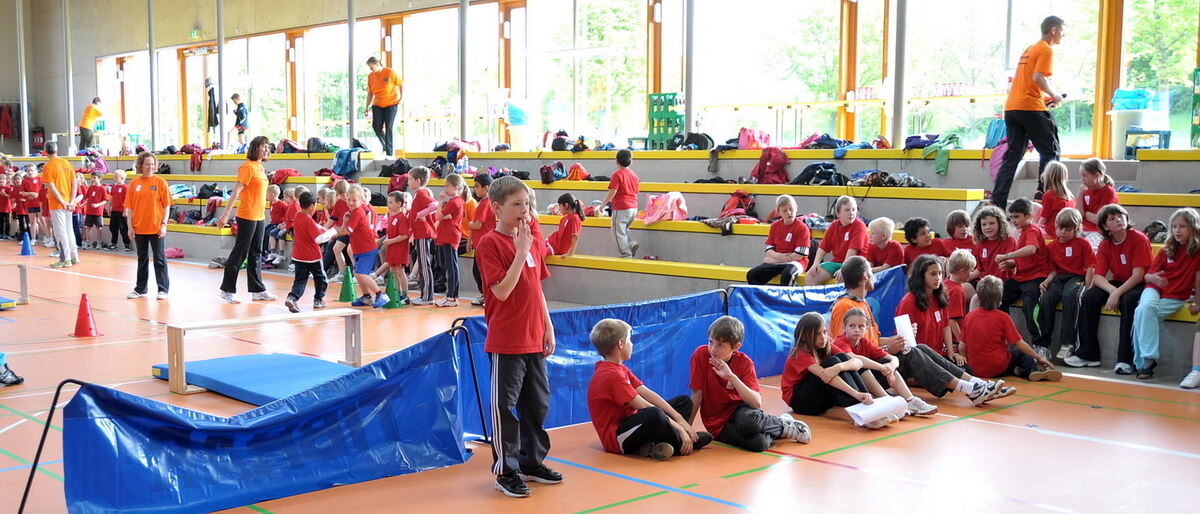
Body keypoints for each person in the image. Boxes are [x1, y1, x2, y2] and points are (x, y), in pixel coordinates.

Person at [474, 176, 561, 498]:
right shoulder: (489, 244)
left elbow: (535, 286)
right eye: (516, 204)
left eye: (527, 204)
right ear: (497, 208)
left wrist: (547, 325)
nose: (524, 210)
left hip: (535, 337)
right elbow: (502, 290)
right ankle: (506, 471)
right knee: (505, 409)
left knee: (537, 405)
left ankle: (531, 461)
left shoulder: (534, 239)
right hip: (507, 339)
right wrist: (519, 250)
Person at [835, 256, 1011, 405]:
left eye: (940, 273)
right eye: (872, 273)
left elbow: (872, 341)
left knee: (920, 348)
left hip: (879, 362)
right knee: (913, 352)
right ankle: (971, 389)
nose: (938, 278)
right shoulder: (844, 306)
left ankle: (976, 385)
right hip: (866, 372)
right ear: (865, 276)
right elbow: (843, 352)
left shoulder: (862, 303)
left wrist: (896, 340)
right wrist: (889, 352)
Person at [587, 318, 713, 460]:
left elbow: (647, 393)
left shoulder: (620, 368)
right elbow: (645, 406)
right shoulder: (611, 375)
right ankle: (681, 443)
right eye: (630, 340)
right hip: (618, 438)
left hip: (633, 423)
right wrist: (680, 429)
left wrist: (679, 418)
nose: (632, 344)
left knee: (683, 403)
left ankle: (650, 445)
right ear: (621, 344)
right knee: (654, 414)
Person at [689, 316, 810, 452]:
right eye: (711, 342)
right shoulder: (700, 355)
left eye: (720, 345)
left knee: (748, 421)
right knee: (759, 444)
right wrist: (687, 428)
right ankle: (778, 426)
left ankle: (782, 425)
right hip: (718, 423)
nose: (713, 349)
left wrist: (731, 377)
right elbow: (697, 394)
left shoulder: (745, 363)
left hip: (742, 412)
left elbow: (756, 403)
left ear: (736, 347)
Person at [992, 16, 1065, 209]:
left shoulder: (1029, 49)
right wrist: (1055, 95)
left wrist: (1045, 98)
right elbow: (1038, 77)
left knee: (1013, 156)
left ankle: (997, 202)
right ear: (1054, 30)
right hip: (1029, 107)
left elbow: (1029, 83)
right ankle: (1044, 195)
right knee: (1051, 150)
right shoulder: (1046, 49)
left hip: (1012, 107)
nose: (1064, 36)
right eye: (1063, 31)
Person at [1070, 204, 1151, 372]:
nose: (1119, 220)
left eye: (1121, 216)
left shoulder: (1139, 238)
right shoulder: (1105, 245)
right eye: (1112, 218)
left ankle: (1125, 361)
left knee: (1128, 301)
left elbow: (1138, 275)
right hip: (1119, 283)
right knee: (1089, 297)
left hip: (1140, 284)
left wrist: (1118, 294)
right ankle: (1088, 354)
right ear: (1105, 226)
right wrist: (1113, 291)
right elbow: (1098, 276)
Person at [782, 312, 895, 429]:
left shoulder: (827, 345)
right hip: (802, 403)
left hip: (822, 396)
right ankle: (861, 411)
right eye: (817, 334)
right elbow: (826, 376)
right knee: (832, 362)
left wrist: (839, 367)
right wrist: (856, 394)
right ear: (805, 336)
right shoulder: (800, 353)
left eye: (825, 332)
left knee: (842, 359)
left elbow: (857, 362)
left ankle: (868, 404)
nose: (823, 337)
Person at [1132, 208, 1200, 381]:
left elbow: (1198, 279)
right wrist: (1154, 279)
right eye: (1174, 226)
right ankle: (1147, 359)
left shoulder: (1197, 252)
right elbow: (1147, 276)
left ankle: (1145, 362)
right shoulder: (1165, 250)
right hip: (1153, 289)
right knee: (1144, 308)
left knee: (1142, 312)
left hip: (1175, 296)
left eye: (1182, 226)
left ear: (1193, 228)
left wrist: (1198, 302)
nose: (1177, 230)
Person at [833, 309, 940, 417]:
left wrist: (890, 367)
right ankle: (888, 403)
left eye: (861, 326)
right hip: (846, 384)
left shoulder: (864, 342)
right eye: (852, 326)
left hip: (866, 382)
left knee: (887, 362)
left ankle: (910, 400)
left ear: (866, 329)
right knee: (861, 366)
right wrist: (882, 368)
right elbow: (855, 359)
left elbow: (893, 358)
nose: (856, 330)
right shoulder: (841, 342)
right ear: (844, 328)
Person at [964, 276, 1061, 382]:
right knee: (1021, 353)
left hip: (976, 370)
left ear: (978, 296)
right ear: (1000, 297)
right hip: (998, 368)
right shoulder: (1003, 317)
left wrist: (968, 367)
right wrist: (1039, 358)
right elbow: (1019, 344)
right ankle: (1031, 371)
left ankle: (1016, 370)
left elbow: (962, 346)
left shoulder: (969, 317)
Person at [216, 136, 276, 303]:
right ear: (255, 148)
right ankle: (226, 290)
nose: (266, 150)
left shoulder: (260, 168)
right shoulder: (247, 167)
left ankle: (257, 290)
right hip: (247, 215)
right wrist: (226, 214)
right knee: (240, 252)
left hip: (259, 216)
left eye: (267, 147)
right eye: (263, 146)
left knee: (256, 253)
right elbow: (236, 191)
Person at [998, 198, 1051, 359]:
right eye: (1011, 217)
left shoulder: (1033, 230)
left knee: (1030, 306)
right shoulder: (1022, 232)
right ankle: (1006, 337)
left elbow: (1031, 249)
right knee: (999, 298)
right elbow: (1024, 257)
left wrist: (1007, 255)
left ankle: (1042, 345)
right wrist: (1011, 263)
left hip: (1036, 278)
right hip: (1020, 277)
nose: (1013, 220)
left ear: (1028, 216)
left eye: (1017, 216)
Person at [1037, 208, 1094, 360]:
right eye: (1060, 228)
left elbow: (1090, 267)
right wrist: (1047, 281)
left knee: (1070, 296)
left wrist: (1088, 287)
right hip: (1058, 278)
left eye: (1068, 229)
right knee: (1046, 297)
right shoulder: (1051, 247)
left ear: (1076, 229)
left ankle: (1068, 343)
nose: (1063, 232)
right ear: (1056, 227)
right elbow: (1053, 271)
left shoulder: (1083, 244)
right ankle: (1044, 345)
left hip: (1076, 278)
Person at [123, 152, 172, 300]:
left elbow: (166, 206)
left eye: (152, 164)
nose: (149, 167)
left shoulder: (160, 182)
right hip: (139, 228)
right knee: (141, 258)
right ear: (141, 166)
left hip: (156, 227)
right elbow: (129, 208)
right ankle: (141, 288)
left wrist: (163, 224)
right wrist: (130, 227)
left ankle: (163, 289)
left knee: (159, 258)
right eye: (147, 164)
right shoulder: (134, 183)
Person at [338, 185, 389, 308]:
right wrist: (345, 221)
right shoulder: (352, 212)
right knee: (357, 273)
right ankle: (366, 297)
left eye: (354, 200)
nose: (350, 203)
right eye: (349, 200)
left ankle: (380, 294)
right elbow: (347, 229)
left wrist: (331, 233)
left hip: (367, 249)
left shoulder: (358, 212)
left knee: (360, 273)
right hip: (359, 249)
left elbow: (346, 231)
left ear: (361, 200)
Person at [746, 194, 810, 285]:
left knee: (788, 274)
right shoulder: (774, 226)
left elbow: (801, 253)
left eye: (791, 209)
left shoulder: (802, 228)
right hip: (777, 259)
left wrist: (777, 259)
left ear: (796, 208)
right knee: (752, 274)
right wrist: (777, 256)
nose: (789, 212)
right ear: (779, 212)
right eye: (784, 210)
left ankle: (786, 299)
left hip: (796, 262)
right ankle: (762, 298)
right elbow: (768, 248)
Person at [806, 195, 868, 285]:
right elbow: (823, 247)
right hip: (838, 262)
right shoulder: (834, 225)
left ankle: (842, 299)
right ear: (838, 213)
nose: (851, 213)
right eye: (847, 210)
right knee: (811, 276)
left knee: (841, 277)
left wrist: (844, 268)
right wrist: (815, 264)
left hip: (856, 263)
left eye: (854, 209)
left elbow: (853, 251)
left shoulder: (859, 225)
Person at [284, 191, 329, 313]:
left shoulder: (298, 216)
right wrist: (332, 233)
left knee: (300, 280)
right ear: (311, 206)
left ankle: (292, 297)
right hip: (313, 255)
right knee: (321, 278)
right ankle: (318, 299)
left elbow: (312, 226)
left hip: (298, 255)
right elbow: (318, 239)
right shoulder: (309, 220)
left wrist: (320, 228)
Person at [41, 142, 79, 268]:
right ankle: (74, 256)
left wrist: (63, 202)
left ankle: (65, 259)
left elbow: (51, 187)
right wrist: (71, 200)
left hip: (58, 204)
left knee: (60, 232)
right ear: (56, 150)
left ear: (45, 151)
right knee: (69, 230)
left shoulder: (48, 167)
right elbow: (74, 183)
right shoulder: (66, 163)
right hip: (68, 202)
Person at [598, 150, 640, 258]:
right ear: (631, 162)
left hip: (621, 207)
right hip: (633, 207)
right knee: (624, 229)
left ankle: (626, 254)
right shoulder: (634, 175)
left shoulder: (617, 175)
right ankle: (631, 243)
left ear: (616, 161)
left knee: (617, 232)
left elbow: (613, 191)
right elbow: (635, 191)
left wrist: (603, 205)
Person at [434, 173, 467, 307]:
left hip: (451, 235)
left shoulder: (454, 201)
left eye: (447, 186)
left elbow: (437, 216)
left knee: (452, 267)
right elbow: (444, 216)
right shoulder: (455, 201)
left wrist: (440, 201)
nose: (445, 189)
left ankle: (452, 296)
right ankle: (451, 295)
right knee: (450, 266)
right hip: (449, 234)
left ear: (456, 187)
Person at [408, 167, 437, 305]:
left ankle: (427, 296)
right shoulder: (418, 194)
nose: (408, 182)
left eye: (410, 179)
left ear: (418, 181)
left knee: (424, 265)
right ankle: (425, 295)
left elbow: (434, 205)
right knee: (423, 264)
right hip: (419, 233)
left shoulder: (421, 194)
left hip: (424, 233)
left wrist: (421, 214)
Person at [1076, 158, 1119, 249]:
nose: (1082, 179)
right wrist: (1079, 194)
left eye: (1085, 176)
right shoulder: (1086, 191)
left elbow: (1102, 221)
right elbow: (1079, 216)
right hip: (1082, 229)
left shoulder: (1109, 192)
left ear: (1097, 175)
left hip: (1099, 232)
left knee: (1090, 245)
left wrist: (1087, 214)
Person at [378, 191, 411, 306]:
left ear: (399, 204)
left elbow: (404, 235)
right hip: (392, 247)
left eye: (391, 202)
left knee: (399, 271)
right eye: (388, 202)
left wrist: (390, 241)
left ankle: (405, 295)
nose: (389, 204)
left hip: (399, 248)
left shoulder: (402, 217)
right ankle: (396, 292)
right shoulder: (392, 217)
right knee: (392, 270)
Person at [364, 57, 402, 156]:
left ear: (377, 64)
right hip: (377, 104)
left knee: (389, 127)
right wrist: (366, 107)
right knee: (376, 127)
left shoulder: (390, 72)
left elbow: (400, 84)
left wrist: (401, 98)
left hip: (391, 103)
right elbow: (370, 93)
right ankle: (385, 144)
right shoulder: (371, 76)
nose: (370, 70)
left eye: (371, 67)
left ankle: (389, 154)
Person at [468, 174, 496, 306]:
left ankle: (487, 295)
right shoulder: (483, 203)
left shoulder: (485, 204)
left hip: (484, 243)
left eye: (477, 187)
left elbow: (477, 224)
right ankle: (485, 295)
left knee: (481, 271)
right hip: (480, 243)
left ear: (486, 188)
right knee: (478, 271)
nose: (475, 189)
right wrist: (470, 239)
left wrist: (468, 223)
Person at [970, 205, 1016, 282]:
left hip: (1002, 283)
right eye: (984, 224)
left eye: (991, 223)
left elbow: (1014, 263)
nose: (987, 227)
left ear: (1000, 224)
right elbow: (980, 270)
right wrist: (962, 278)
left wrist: (1009, 263)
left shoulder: (1009, 241)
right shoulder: (980, 244)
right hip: (984, 282)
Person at [944, 249, 976, 346]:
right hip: (954, 338)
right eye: (970, 271)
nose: (971, 274)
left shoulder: (945, 282)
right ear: (962, 271)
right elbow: (952, 320)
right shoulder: (957, 291)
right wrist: (961, 341)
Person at [1036, 161, 1073, 235]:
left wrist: (1035, 229)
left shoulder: (1050, 195)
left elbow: (1044, 219)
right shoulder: (1070, 195)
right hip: (1067, 231)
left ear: (1047, 176)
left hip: (1053, 232)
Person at [547, 193, 584, 257]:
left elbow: (575, 236)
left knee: (538, 252)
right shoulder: (564, 218)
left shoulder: (574, 218)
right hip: (551, 243)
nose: (559, 209)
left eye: (560, 206)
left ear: (566, 205)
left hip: (555, 248)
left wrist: (570, 254)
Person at [105, 169, 131, 251]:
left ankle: (127, 244)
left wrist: (126, 209)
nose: (114, 178)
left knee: (123, 228)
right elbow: (112, 198)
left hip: (121, 210)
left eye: (116, 177)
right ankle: (114, 244)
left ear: (122, 178)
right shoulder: (114, 187)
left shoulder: (126, 188)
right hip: (115, 210)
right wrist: (109, 207)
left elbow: (128, 200)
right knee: (113, 227)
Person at [82, 174, 107, 249]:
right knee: (87, 227)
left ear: (100, 178)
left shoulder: (102, 189)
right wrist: (83, 205)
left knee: (99, 227)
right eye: (92, 178)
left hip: (98, 212)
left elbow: (105, 200)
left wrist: (97, 205)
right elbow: (88, 199)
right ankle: (87, 242)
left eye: (94, 177)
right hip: (89, 211)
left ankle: (99, 243)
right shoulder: (91, 188)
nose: (93, 179)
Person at [264, 185, 286, 260]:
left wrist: (283, 223)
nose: (266, 196)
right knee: (264, 231)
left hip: (278, 223)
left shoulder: (282, 204)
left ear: (272, 194)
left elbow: (287, 214)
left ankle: (270, 251)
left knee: (270, 232)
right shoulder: (271, 203)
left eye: (267, 194)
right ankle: (265, 250)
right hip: (272, 222)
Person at [0, 173, 11, 240]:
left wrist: (5, 194)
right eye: (0, 179)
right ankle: (1, 233)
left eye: (3, 179)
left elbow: (11, 197)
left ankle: (7, 234)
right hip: (0, 207)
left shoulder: (8, 188)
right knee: (1, 220)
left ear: (6, 180)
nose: (1, 180)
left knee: (7, 221)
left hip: (7, 207)